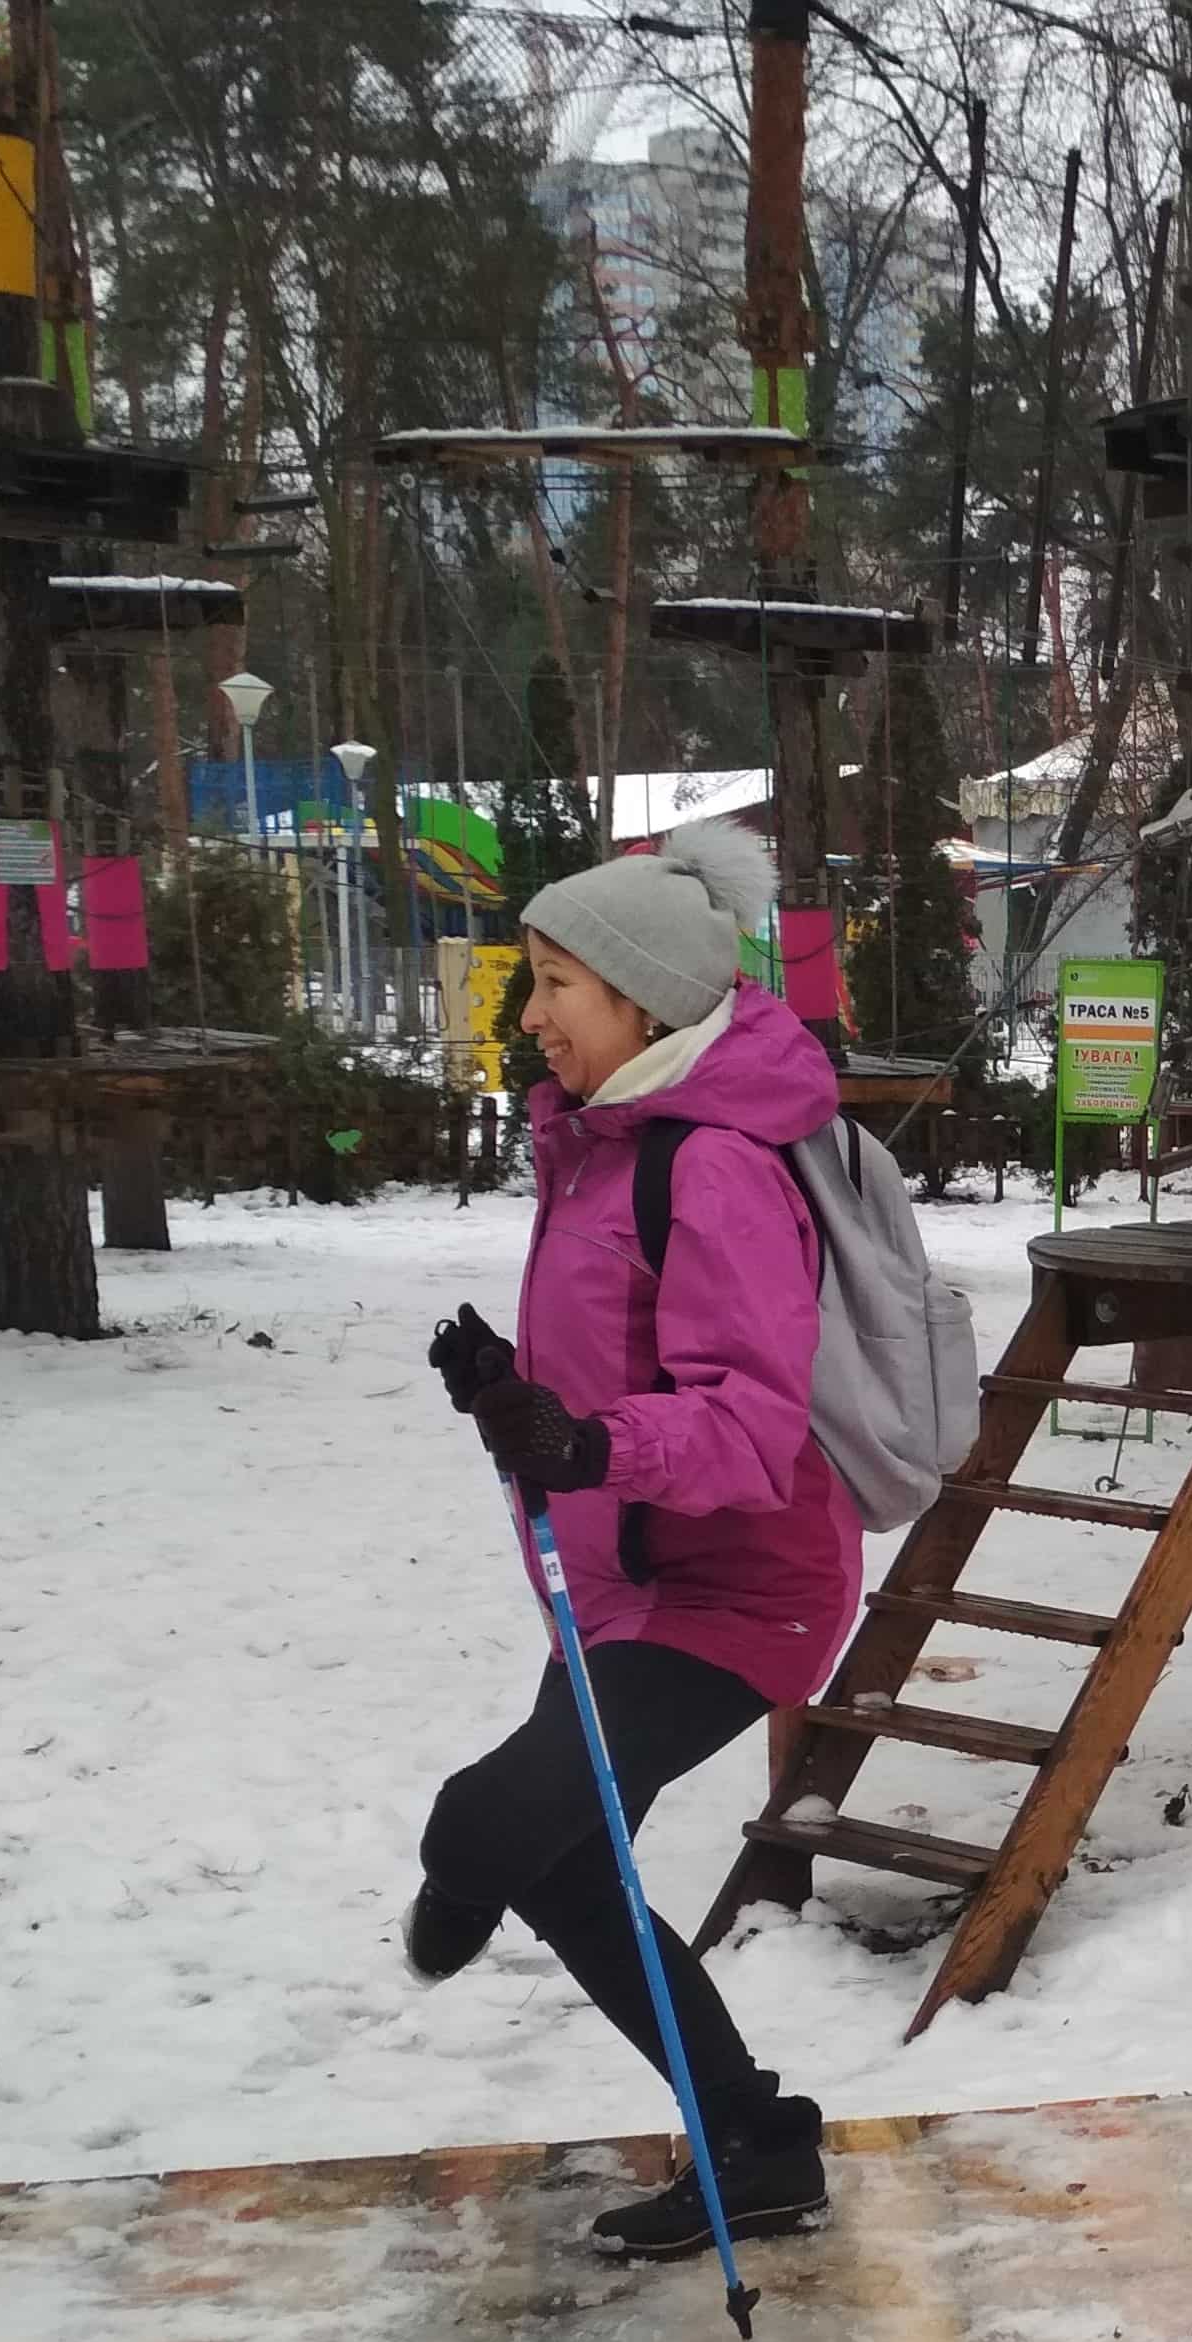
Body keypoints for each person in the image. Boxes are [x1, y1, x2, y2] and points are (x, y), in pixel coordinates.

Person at [410, 823, 862, 2258]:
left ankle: (747, 2139)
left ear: (645, 1001)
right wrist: (517, 1397)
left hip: (736, 1590)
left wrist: (591, 1445)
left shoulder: (712, 1164)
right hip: (621, 1583)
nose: (530, 1011)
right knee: (561, 1862)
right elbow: (621, 1361)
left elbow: (748, 1419)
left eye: (557, 983)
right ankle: (756, 2148)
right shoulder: (603, 1147)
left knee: (488, 1829)